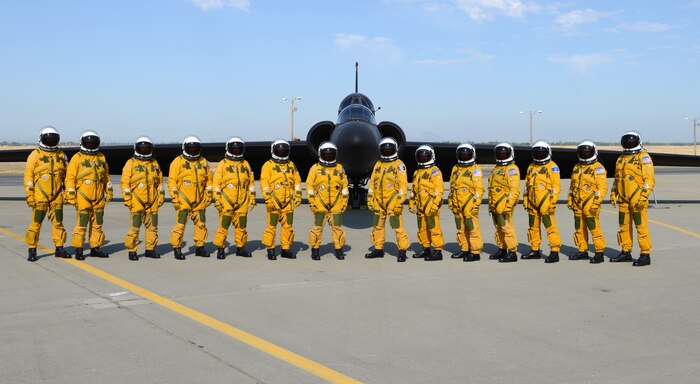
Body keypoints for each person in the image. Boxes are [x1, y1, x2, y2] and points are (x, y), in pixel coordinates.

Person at [24, 126, 71, 261]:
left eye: (53, 140)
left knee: (58, 223)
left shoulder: (61, 155)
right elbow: (28, 176)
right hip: (40, 195)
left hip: (56, 196)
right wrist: (30, 194)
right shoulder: (35, 155)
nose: (51, 142)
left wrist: (68, 192)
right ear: (41, 139)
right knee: (36, 223)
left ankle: (59, 248)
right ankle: (32, 249)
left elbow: (67, 176)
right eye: (48, 139)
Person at [609, 131, 655, 267]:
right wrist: (613, 192)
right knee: (623, 226)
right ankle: (625, 251)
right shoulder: (621, 158)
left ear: (639, 142)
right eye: (627, 142)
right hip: (623, 199)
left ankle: (645, 254)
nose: (629, 144)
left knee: (641, 227)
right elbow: (617, 178)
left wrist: (644, 195)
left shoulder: (643, 157)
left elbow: (649, 179)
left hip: (637, 198)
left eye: (632, 141)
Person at [65, 130, 113, 260]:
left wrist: (109, 190)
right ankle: (79, 249)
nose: (91, 145)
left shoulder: (101, 157)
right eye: (88, 142)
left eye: (93, 143)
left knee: (97, 224)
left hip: (98, 197)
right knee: (81, 224)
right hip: (83, 197)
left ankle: (95, 248)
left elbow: (106, 176)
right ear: (82, 142)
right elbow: (70, 178)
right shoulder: (77, 158)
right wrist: (70, 194)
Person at [365, 137, 410, 262]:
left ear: (394, 150)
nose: (387, 152)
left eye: (389, 150)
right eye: (384, 150)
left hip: (392, 201)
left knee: (397, 227)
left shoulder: (399, 165)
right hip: (379, 202)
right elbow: (373, 183)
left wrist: (399, 202)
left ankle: (402, 251)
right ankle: (378, 249)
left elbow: (403, 185)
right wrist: (370, 199)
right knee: (377, 227)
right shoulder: (378, 164)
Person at [168, 135, 212, 260]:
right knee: (180, 226)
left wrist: (209, 193)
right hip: (184, 201)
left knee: (201, 225)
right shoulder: (178, 162)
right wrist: (175, 197)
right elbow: (172, 182)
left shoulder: (203, 161)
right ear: (184, 148)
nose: (193, 151)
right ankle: (177, 248)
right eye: (190, 148)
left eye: (195, 148)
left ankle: (200, 247)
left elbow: (209, 179)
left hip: (199, 201)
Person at [121, 136, 164, 261]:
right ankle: (132, 251)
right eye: (142, 148)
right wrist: (128, 199)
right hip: (137, 201)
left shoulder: (154, 164)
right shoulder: (131, 163)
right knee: (134, 228)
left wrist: (161, 196)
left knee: (152, 228)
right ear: (136, 148)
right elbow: (125, 183)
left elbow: (160, 183)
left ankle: (150, 250)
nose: (144, 151)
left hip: (152, 202)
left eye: (147, 148)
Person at [212, 137, 256, 260]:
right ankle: (220, 249)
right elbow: (216, 183)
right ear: (228, 149)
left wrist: (252, 197)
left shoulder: (245, 164)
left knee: (241, 226)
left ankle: (240, 248)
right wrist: (217, 199)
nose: (236, 151)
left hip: (242, 200)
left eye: (238, 149)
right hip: (227, 200)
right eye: (234, 149)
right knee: (224, 225)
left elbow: (250, 183)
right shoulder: (223, 164)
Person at [260, 139, 302, 260]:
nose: (282, 153)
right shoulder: (268, 166)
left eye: (284, 151)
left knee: (288, 227)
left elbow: (297, 181)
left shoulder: (290, 165)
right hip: (274, 202)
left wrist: (298, 195)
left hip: (288, 202)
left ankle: (285, 249)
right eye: (279, 151)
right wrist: (268, 198)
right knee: (271, 227)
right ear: (273, 151)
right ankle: (271, 250)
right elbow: (264, 183)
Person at [306, 141, 349, 260]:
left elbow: (344, 186)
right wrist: (312, 201)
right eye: (326, 154)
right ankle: (315, 250)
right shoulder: (315, 168)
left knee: (338, 228)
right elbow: (309, 185)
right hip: (320, 204)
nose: (329, 156)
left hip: (336, 204)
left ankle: (339, 249)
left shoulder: (339, 168)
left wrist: (344, 201)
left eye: (331, 154)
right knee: (317, 228)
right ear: (320, 154)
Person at [567, 141, 607, 264]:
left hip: (590, 204)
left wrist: (596, 203)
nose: (585, 154)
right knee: (579, 228)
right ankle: (582, 250)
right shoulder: (577, 167)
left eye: (587, 152)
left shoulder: (598, 168)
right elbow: (573, 185)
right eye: (583, 152)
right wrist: (570, 199)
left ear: (594, 152)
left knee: (594, 228)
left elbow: (602, 188)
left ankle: (599, 253)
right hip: (577, 203)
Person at [522, 141, 562, 263]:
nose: (539, 155)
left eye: (542, 153)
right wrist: (525, 200)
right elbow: (526, 186)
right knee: (533, 228)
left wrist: (552, 202)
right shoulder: (531, 166)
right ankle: (535, 250)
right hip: (532, 203)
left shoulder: (552, 167)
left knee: (550, 228)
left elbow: (556, 187)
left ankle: (554, 252)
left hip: (545, 203)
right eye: (537, 153)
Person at [447, 143, 484, 262]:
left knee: (472, 228)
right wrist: (451, 201)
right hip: (457, 204)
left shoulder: (475, 169)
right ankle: (464, 249)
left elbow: (479, 189)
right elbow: (452, 186)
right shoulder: (455, 168)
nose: (463, 157)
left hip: (469, 204)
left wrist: (476, 204)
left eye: (466, 155)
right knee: (461, 228)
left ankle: (475, 252)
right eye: (461, 155)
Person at [409, 145, 444, 261]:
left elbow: (439, 190)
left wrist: (435, 205)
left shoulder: (434, 171)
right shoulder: (417, 172)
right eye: (420, 157)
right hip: (420, 206)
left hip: (430, 205)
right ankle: (426, 249)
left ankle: (438, 251)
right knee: (422, 228)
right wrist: (411, 202)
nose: (422, 159)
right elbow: (414, 190)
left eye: (425, 156)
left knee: (433, 228)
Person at [488, 143, 520, 263]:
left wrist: (509, 205)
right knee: (499, 228)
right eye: (499, 154)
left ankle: (512, 252)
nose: (501, 156)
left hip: (504, 205)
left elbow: (514, 189)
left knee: (507, 228)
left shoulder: (511, 169)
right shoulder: (497, 168)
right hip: (495, 205)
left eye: (503, 154)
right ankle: (502, 249)